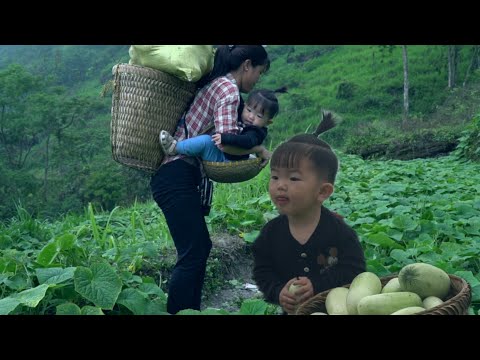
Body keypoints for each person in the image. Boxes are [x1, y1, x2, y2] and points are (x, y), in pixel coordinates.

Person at [150, 45, 271, 314]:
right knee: (193, 252)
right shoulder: (229, 90)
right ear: (247, 65)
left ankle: (190, 309)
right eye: (259, 73)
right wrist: (258, 150)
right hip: (176, 173)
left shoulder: (217, 84)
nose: (258, 80)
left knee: (200, 247)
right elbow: (226, 142)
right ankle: (179, 311)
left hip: (175, 174)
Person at [252, 112, 366, 315]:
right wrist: (278, 292)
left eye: (293, 178)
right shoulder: (271, 233)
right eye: (275, 176)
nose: (280, 186)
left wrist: (318, 285)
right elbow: (262, 272)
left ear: (323, 192)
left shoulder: (339, 231)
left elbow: (354, 271)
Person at [159, 87, 287, 162]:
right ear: (245, 106)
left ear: (268, 122)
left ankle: (174, 148)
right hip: (224, 152)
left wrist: (225, 137)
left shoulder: (256, 132)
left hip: (226, 158)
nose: (251, 117)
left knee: (205, 141)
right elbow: (237, 100)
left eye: (259, 116)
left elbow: (247, 141)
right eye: (249, 110)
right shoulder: (242, 112)